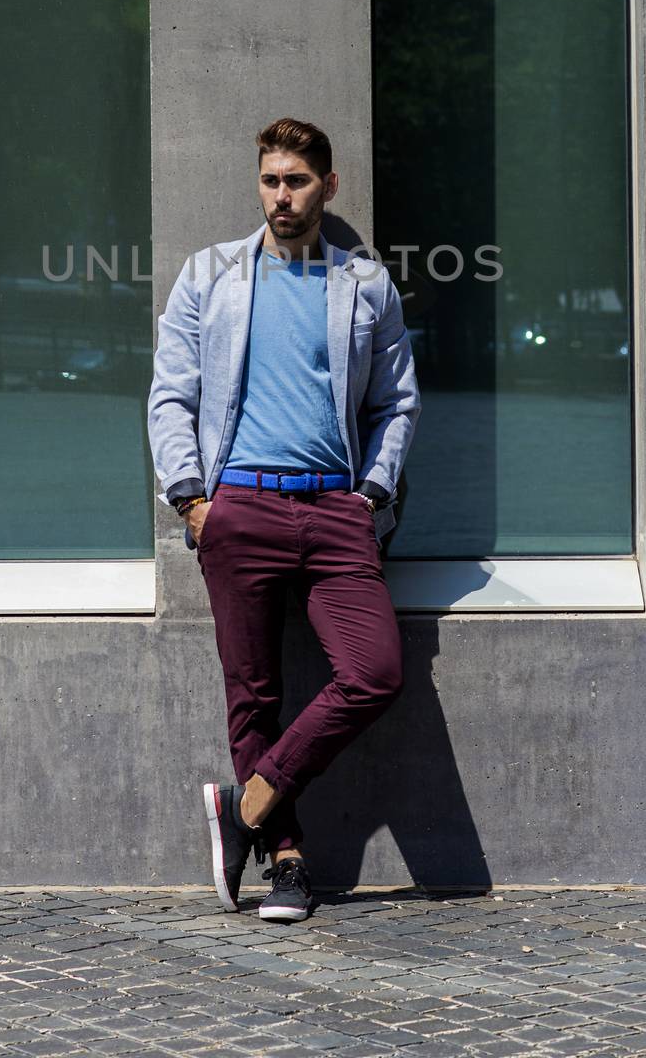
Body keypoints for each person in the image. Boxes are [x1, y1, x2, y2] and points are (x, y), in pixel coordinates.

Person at [147, 118, 421, 921]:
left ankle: (247, 806)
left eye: (297, 181)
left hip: (336, 509)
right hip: (240, 508)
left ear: (327, 188)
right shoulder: (211, 276)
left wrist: (371, 494)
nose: (281, 196)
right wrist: (193, 499)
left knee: (374, 672)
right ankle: (289, 866)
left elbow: (397, 402)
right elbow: (172, 393)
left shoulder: (363, 285)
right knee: (253, 695)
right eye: (270, 180)